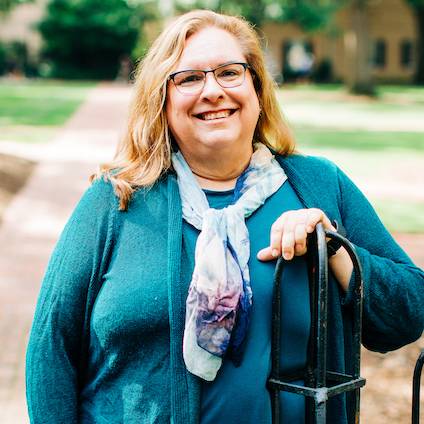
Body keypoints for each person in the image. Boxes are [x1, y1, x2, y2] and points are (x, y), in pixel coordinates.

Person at [25, 10, 424, 424]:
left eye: (229, 73)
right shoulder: (115, 201)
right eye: (189, 78)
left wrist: (332, 245)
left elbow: (407, 315)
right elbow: (51, 346)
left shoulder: (319, 185)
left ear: (256, 87)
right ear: (160, 98)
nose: (212, 91)